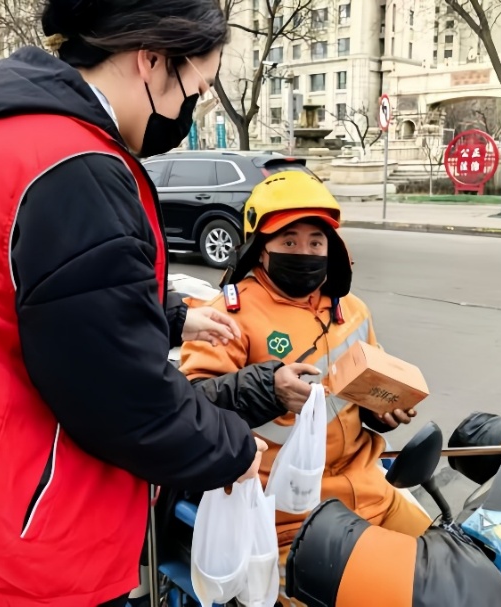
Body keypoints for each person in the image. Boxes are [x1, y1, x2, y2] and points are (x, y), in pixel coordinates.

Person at [0, 1, 268, 606]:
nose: (190, 109)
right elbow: (122, 399)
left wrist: (173, 317)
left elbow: (31, 300)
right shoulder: (77, 169)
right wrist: (230, 448)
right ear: (152, 60)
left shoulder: (0, 137)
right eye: (197, 87)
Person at [179, 171, 433, 604]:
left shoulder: (351, 309)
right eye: (289, 241)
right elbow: (190, 405)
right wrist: (268, 389)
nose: (305, 252)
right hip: (286, 517)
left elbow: (364, 389)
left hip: (372, 490)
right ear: (261, 248)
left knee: (450, 574)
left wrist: (381, 411)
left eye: (316, 242)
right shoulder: (228, 314)